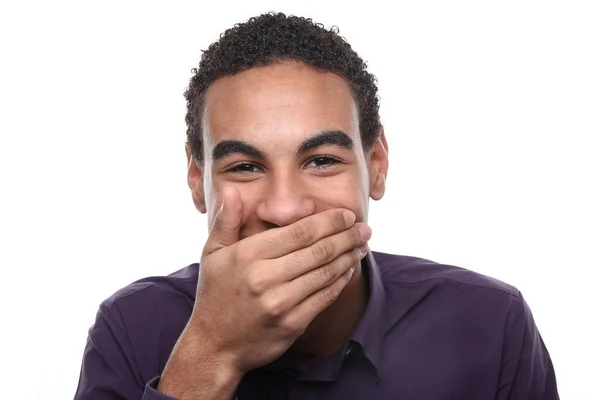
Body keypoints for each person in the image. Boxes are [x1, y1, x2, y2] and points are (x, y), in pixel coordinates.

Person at [74, 12, 559, 400]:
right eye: (245, 166)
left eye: (322, 160)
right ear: (198, 180)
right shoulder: (131, 328)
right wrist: (211, 353)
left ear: (377, 164)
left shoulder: (491, 322)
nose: (284, 209)